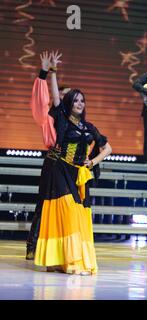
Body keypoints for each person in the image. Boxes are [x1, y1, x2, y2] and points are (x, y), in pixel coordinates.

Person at [32, 51, 112, 275]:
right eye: (75, 100)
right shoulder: (63, 120)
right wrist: (52, 72)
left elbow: (108, 148)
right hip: (59, 168)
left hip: (78, 173)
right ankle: (66, 260)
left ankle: (67, 260)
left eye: (82, 100)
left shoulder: (89, 127)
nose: (79, 103)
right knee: (65, 210)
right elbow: (56, 99)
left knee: (78, 214)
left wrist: (92, 162)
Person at [26, 51, 71, 260]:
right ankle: (33, 245)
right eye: (62, 95)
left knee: (66, 206)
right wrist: (46, 72)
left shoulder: (76, 121)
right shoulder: (48, 116)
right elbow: (41, 99)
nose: (64, 98)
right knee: (44, 203)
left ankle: (60, 248)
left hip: (69, 166)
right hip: (53, 162)